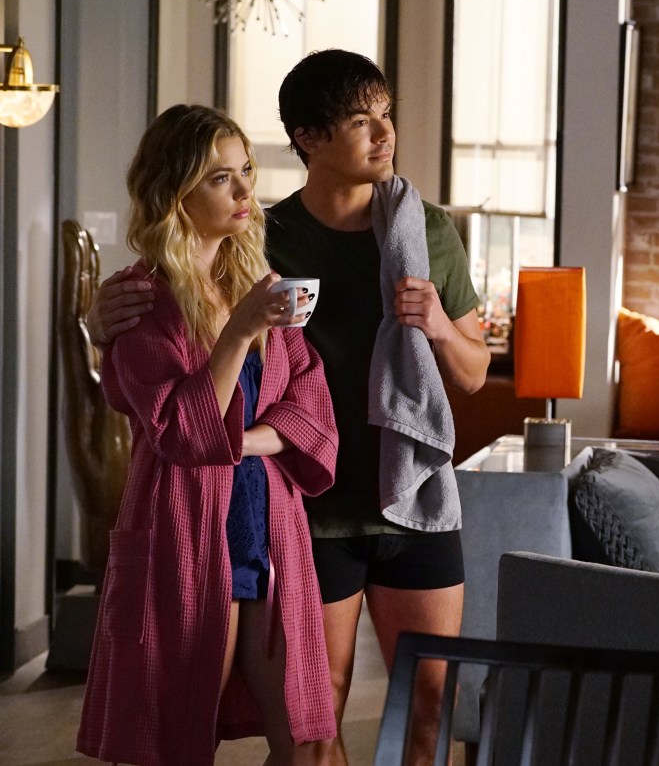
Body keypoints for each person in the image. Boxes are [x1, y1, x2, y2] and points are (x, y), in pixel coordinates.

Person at [89, 51, 489, 765]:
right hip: (310, 510)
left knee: (430, 699)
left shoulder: (426, 233)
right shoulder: (259, 241)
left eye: (386, 115)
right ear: (307, 137)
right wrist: (100, 324)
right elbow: (168, 353)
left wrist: (436, 324)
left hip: (413, 496)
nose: (384, 134)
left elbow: (468, 373)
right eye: (361, 120)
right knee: (312, 717)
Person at [76, 104, 339, 765]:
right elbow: (183, 432)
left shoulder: (260, 285)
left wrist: (240, 442)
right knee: (176, 738)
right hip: (184, 535)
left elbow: (312, 408)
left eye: (246, 170)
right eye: (222, 178)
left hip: (268, 530)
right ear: (175, 192)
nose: (247, 190)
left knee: (307, 739)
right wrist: (240, 331)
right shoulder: (140, 302)